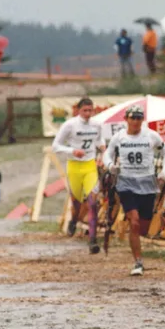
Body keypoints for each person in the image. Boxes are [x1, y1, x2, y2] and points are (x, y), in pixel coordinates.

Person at [103, 105, 165, 276]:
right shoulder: (119, 137)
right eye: (132, 118)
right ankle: (138, 262)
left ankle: (137, 243)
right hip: (126, 182)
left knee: (143, 226)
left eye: (139, 118)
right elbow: (107, 154)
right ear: (126, 119)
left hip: (148, 182)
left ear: (143, 120)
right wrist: (111, 165)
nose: (135, 122)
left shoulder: (151, 135)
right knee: (133, 221)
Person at [52, 97, 106, 253]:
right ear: (78, 110)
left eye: (91, 110)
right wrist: (72, 151)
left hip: (90, 165)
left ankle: (93, 241)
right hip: (74, 166)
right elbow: (56, 146)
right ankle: (73, 221)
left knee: (92, 202)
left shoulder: (96, 124)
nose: (88, 114)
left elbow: (99, 139)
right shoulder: (69, 125)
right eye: (85, 111)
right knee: (76, 203)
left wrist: (102, 147)